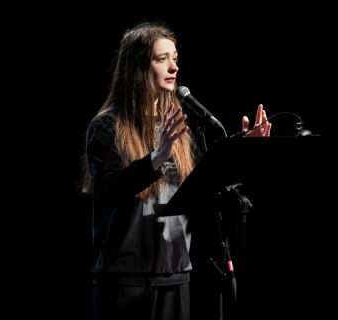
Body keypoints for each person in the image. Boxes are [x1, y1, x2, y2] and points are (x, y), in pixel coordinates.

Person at [79, 20, 271, 320]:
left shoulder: (177, 127)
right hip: (125, 282)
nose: (173, 68)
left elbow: (204, 184)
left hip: (176, 275)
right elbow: (108, 191)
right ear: (139, 68)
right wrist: (156, 158)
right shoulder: (108, 126)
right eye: (161, 59)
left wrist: (243, 149)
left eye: (175, 59)